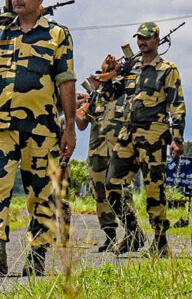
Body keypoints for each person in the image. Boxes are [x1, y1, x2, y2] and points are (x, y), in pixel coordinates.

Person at [0, 0, 76, 276]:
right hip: (2, 124)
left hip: (43, 127)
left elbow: (66, 81)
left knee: (41, 192)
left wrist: (69, 126)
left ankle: (37, 255)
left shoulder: (57, 34)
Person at [99, 22, 186, 257]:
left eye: (146, 38)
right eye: (139, 38)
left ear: (157, 40)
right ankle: (133, 232)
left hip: (154, 135)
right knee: (111, 184)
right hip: (128, 133)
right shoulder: (131, 67)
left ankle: (160, 242)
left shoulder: (167, 69)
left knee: (153, 190)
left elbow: (177, 106)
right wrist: (106, 75)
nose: (142, 42)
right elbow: (109, 95)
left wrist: (177, 139)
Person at [76, 81, 136, 252]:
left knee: (124, 192)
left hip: (121, 151)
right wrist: (77, 106)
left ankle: (132, 233)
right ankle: (110, 236)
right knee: (99, 193)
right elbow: (81, 124)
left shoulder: (127, 94)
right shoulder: (96, 96)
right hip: (98, 151)